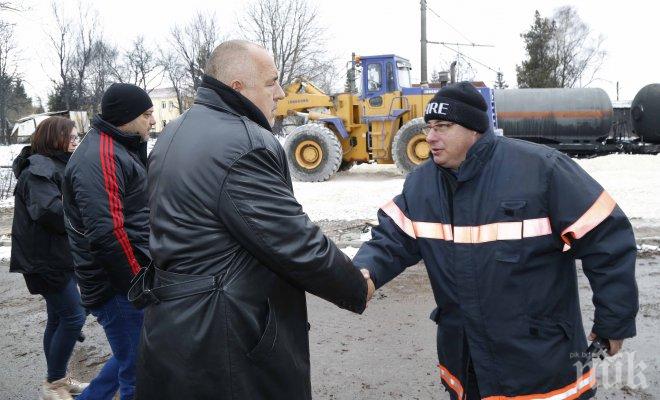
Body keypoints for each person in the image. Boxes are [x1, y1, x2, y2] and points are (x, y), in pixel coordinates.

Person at [354, 82, 638, 399]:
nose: (431, 137)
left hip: (539, 363)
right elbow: (389, 240)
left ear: (474, 129)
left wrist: (614, 321)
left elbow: (607, 237)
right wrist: (363, 274)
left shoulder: (541, 170)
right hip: (466, 362)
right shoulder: (422, 185)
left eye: (443, 127)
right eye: (429, 127)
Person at [136, 40, 373, 399]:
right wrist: (356, 285)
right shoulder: (244, 143)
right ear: (238, 88)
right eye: (271, 82)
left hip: (175, 326)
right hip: (225, 337)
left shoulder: (175, 131)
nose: (280, 92)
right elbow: (293, 241)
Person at [62, 83, 154, 400]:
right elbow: (108, 232)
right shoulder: (100, 156)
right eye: (147, 114)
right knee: (139, 372)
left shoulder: (118, 148)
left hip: (124, 280)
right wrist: (136, 284)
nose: (152, 121)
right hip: (117, 286)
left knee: (132, 354)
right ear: (126, 118)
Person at [10, 116, 88, 400]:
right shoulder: (39, 169)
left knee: (59, 318)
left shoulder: (54, 164)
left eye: (77, 137)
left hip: (56, 256)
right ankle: (53, 385)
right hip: (44, 259)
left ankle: (58, 379)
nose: (75, 142)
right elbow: (50, 212)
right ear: (54, 138)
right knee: (73, 316)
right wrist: (85, 211)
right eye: (71, 137)